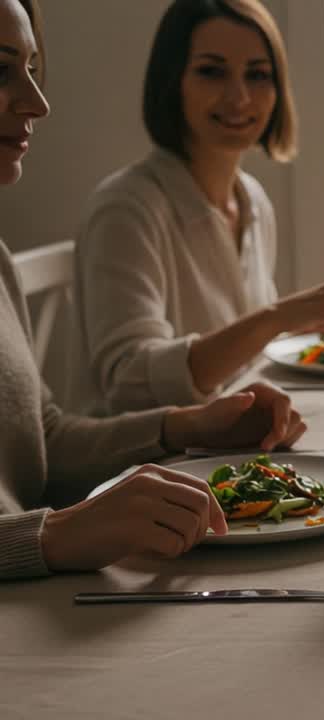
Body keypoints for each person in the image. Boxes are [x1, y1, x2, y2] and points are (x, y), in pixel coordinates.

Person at [0, 0, 306, 578]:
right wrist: (54, 535)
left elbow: (44, 444)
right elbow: (124, 380)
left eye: (31, 70)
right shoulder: (128, 205)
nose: (39, 103)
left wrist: (187, 426)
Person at [71, 0, 324, 414]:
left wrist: (300, 321)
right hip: (148, 466)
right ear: (172, 81)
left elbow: (244, 364)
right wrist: (275, 318)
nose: (239, 97)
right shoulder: (126, 208)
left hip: (228, 447)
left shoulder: (252, 199)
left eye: (258, 75)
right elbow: (129, 383)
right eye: (211, 71)